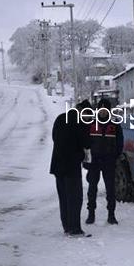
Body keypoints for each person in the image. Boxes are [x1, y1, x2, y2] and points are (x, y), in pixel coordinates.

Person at [50, 99, 92, 237]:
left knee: (64, 197)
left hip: (57, 165)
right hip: (72, 166)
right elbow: (86, 142)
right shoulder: (81, 122)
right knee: (75, 198)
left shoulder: (61, 118)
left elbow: (54, 137)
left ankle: (66, 226)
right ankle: (75, 228)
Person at [85, 98, 124, 225]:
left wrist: (115, 157)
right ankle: (91, 214)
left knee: (110, 189)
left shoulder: (115, 125)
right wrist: (86, 160)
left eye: (105, 110)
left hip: (109, 162)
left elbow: (120, 143)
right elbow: (85, 143)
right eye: (100, 109)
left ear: (109, 110)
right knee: (92, 189)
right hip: (94, 162)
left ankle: (111, 215)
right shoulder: (91, 124)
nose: (103, 112)